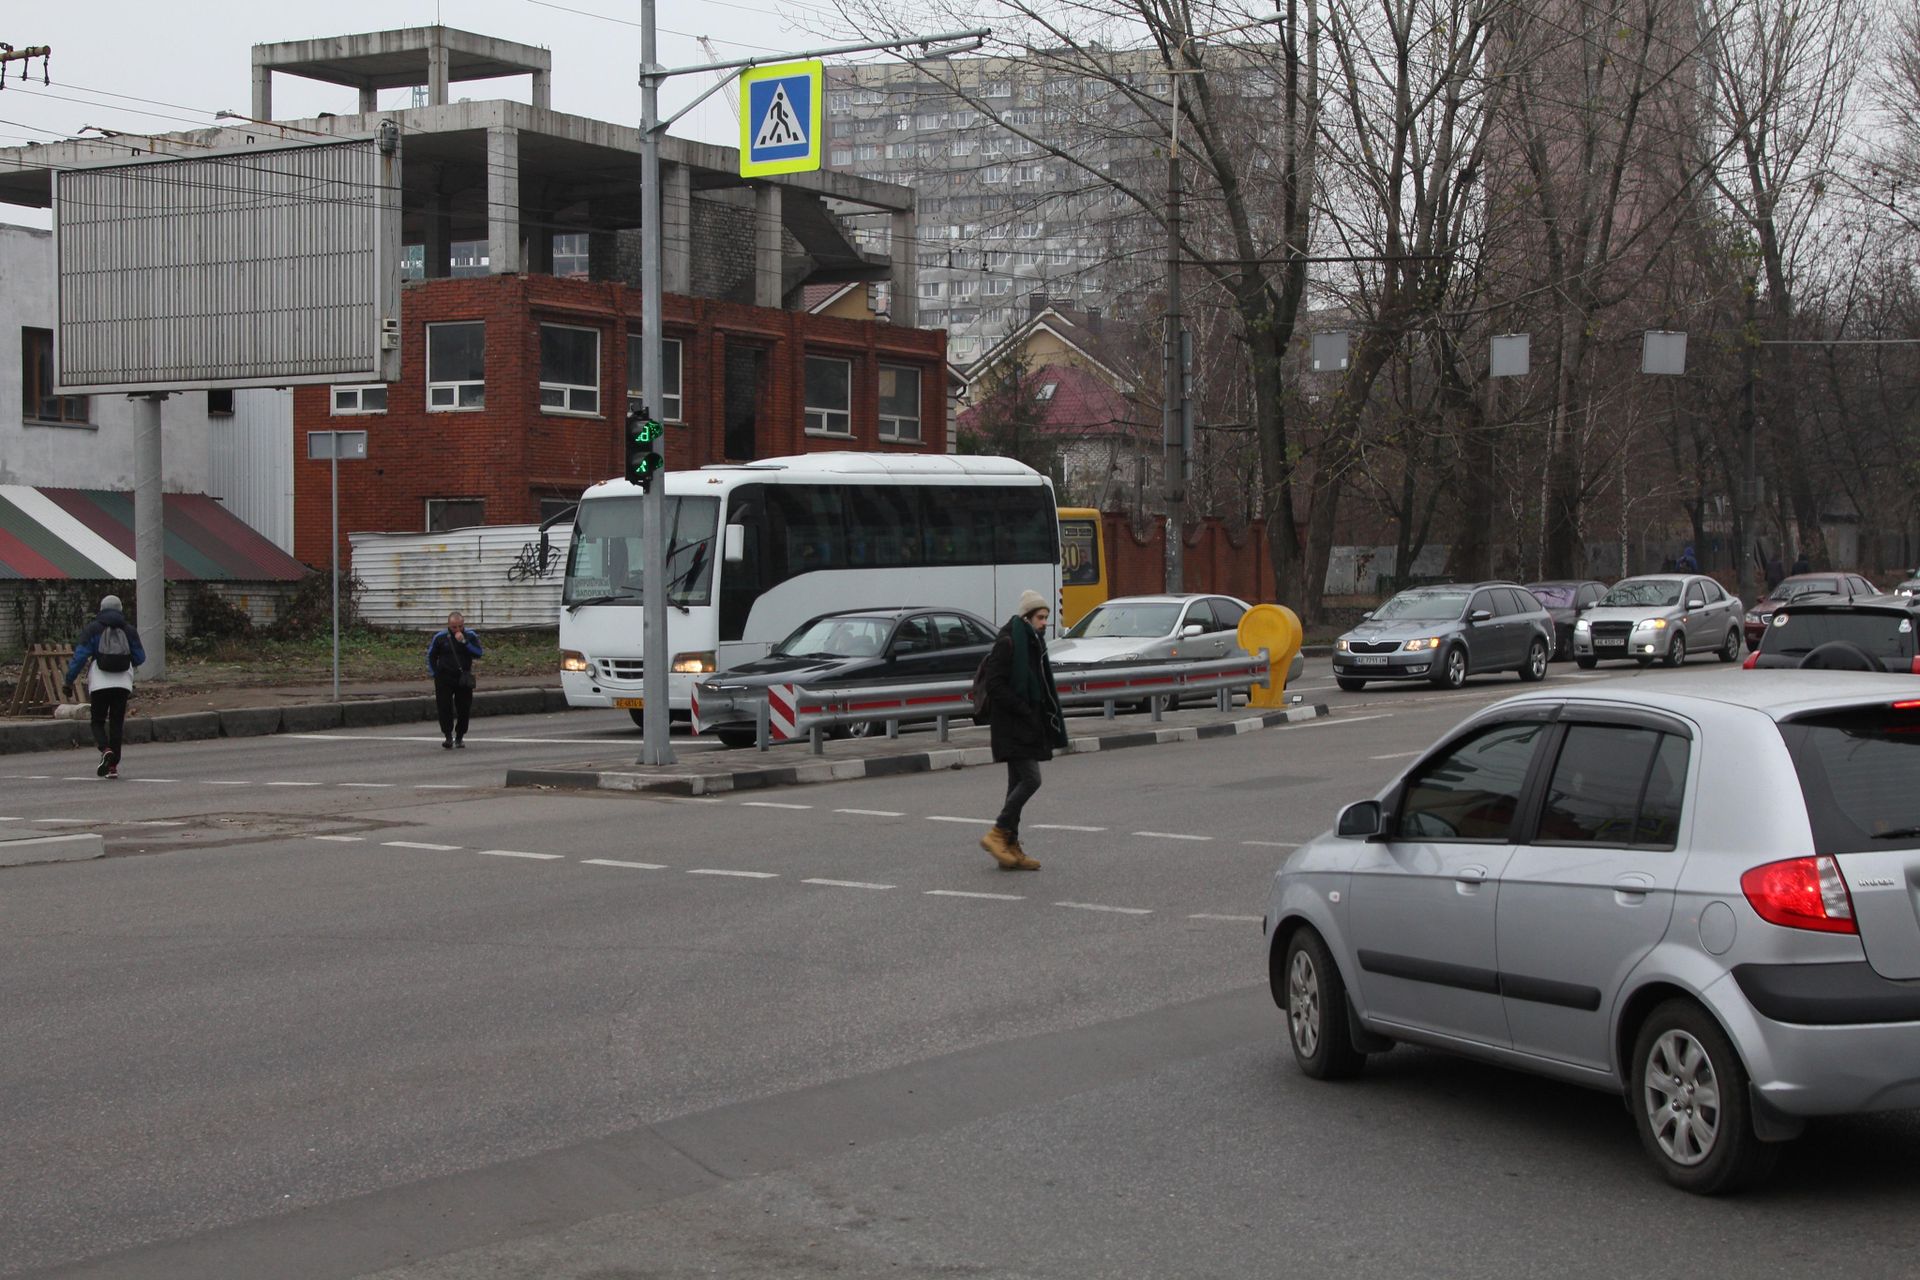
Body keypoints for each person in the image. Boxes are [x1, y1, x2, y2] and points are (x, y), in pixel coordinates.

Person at [978, 589, 1069, 871]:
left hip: (1026, 726)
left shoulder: (1031, 642)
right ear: (1027, 617)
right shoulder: (1008, 642)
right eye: (1040, 617)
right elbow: (994, 684)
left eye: (1045, 617)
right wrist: (1023, 709)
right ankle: (998, 833)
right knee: (1031, 780)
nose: (1044, 623)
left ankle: (1011, 847)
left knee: (1015, 786)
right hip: (1012, 728)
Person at [61, 593, 146, 779]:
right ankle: (113, 767)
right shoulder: (129, 630)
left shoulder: (93, 629)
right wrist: (124, 660)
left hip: (100, 682)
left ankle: (105, 749)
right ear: (120, 610)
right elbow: (140, 657)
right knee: (117, 723)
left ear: (101, 609)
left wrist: (68, 681)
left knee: (97, 721)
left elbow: (80, 657)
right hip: (123, 682)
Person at [426, 611, 483, 749]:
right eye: (454, 627)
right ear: (448, 626)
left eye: (460, 626)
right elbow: (431, 656)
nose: (457, 629)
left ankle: (459, 736)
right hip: (444, 677)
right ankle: (447, 736)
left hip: (463, 677)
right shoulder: (440, 637)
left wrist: (464, 641)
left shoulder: (470, 636)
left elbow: (478, 653)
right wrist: (435, 673)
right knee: (444, 707)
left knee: (464, 707)